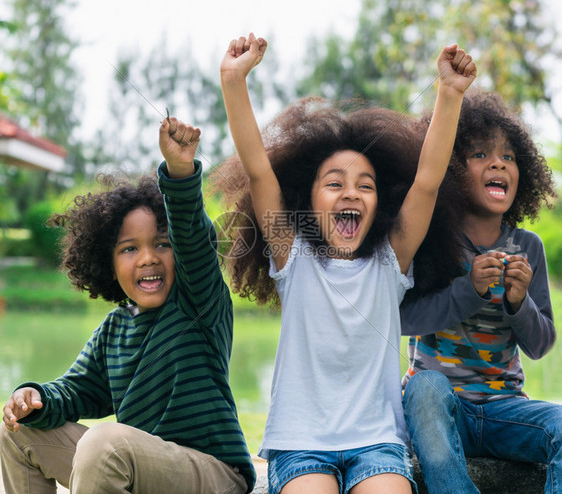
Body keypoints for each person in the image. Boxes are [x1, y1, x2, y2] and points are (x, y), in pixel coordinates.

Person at [216, 32, 476, 494]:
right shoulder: (291, 256)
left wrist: (449, 94)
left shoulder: (391, 260)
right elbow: (258, 169)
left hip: (376, 444)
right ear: (306, 199)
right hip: (301, 444)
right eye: (334, 183)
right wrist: (233, 80)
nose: (351, 192)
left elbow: (428, 183)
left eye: (365, 185)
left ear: (381, 205)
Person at [0, 118, 256, 493]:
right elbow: (77, 391)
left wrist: (181, 171)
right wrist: (36, 398)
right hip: (137, 465)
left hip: (212, 473)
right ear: (109, 263)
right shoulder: (115, 328)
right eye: (130, 248)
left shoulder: (198, 301)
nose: (148, 258)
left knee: (104, 443)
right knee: (17, 432)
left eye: (162, 244)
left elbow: (191, 230)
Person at [401, 89, 560, 493]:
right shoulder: (433, 240)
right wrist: (468, 289)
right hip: (440, 408)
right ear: (451, 170)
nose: (497, 163)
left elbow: (541, 344)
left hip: (505, 409)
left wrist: (518, 302)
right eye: (479, 155)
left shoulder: (528, 248)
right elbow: (404, 319)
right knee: (423, 386)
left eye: (508, 156)